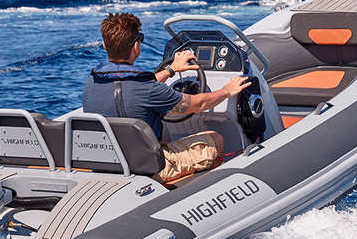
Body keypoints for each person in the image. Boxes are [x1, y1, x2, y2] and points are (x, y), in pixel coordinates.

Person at [84, 12, 250, 184]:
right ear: (136, 47)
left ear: (104, 45)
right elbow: (198, 104)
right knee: (215, 139)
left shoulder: (92, 81)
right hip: (149, 168)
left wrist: (171, 70)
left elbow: (131, 86)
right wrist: (226, 90)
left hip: (108, 163)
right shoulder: (149, 90)